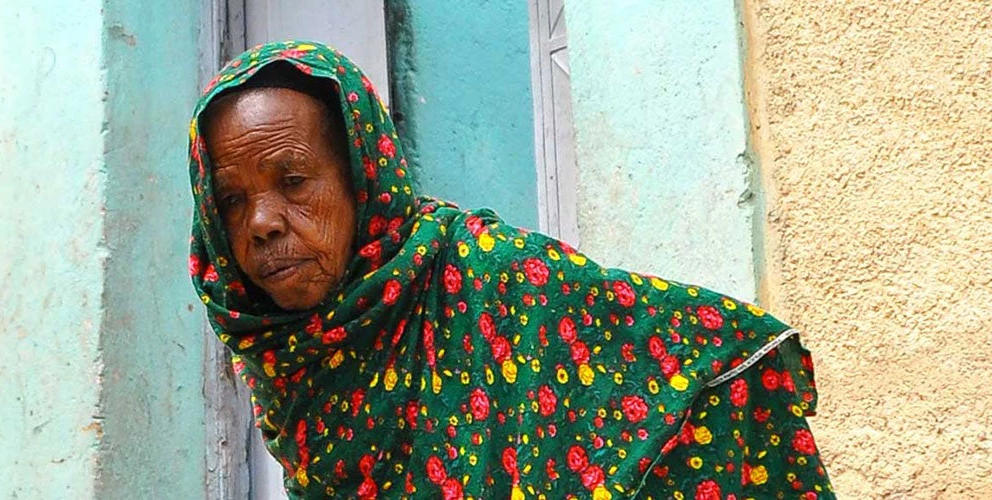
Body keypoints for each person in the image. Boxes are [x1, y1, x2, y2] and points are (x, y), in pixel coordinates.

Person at [188, 41, 834, 499]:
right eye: (230, 200)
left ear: (365, 180)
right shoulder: (288, 345)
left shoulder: (499, 281)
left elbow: (720, 350)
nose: (263, 223)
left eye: (294, 181)